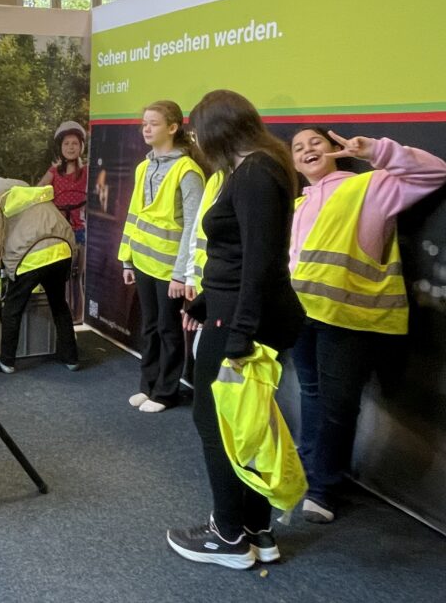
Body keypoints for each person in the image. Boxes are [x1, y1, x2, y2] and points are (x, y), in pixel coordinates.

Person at [167, 89, 304, 570]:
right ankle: (256, 530)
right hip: (235, 313)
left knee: (217, 423)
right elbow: (244, 255)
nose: (196, 140)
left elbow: (261, 265)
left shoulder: (255, 173)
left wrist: (238, 334)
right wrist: (207, 299)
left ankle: (227, 536)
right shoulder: (258, 168)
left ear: (218, 129)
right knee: (246, 423)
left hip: (244, 323)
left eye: (198, 131)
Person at [288, 126, 446, 524]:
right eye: (298, 148)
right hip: (302, 314)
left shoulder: (369, 186)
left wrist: (375, 150)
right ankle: (309, 472)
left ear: (335, 150)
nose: (307, 150)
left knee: (338, 405)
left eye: (316, 143)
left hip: (347, 316)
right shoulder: (298, 204)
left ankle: (323, 488)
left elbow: (435, 172)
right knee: (311, 393)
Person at [118, 101, 204, 413]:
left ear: (172, 127)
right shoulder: (144, 167)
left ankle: (167, 392)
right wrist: (127, 258)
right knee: (149, 326)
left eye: (153, 123)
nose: (146, 128)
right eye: (144, 123)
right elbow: (134, 214)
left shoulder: (188, 171)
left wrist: (182, 273)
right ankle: (148, 385)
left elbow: (194, 228)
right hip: (142, 262)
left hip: (170, 269)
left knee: (169, 330)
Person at [0, 177, 79, 373]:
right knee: (59, 303)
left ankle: (6, 362)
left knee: (12, 308)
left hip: (30, 257)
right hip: (63, 250)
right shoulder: (35, 194)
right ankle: (71, 358)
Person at [39, 121, 88, 323]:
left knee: (77, 277)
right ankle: (60, 317)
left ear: (81, 146)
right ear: (60, 146)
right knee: (59, 277)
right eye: (66, 143)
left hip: (80, 229)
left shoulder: (87, 172)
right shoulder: (54, 172)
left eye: (74, 143)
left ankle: (79, 318)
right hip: (58, 231)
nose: (70, 147)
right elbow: (38, 191)